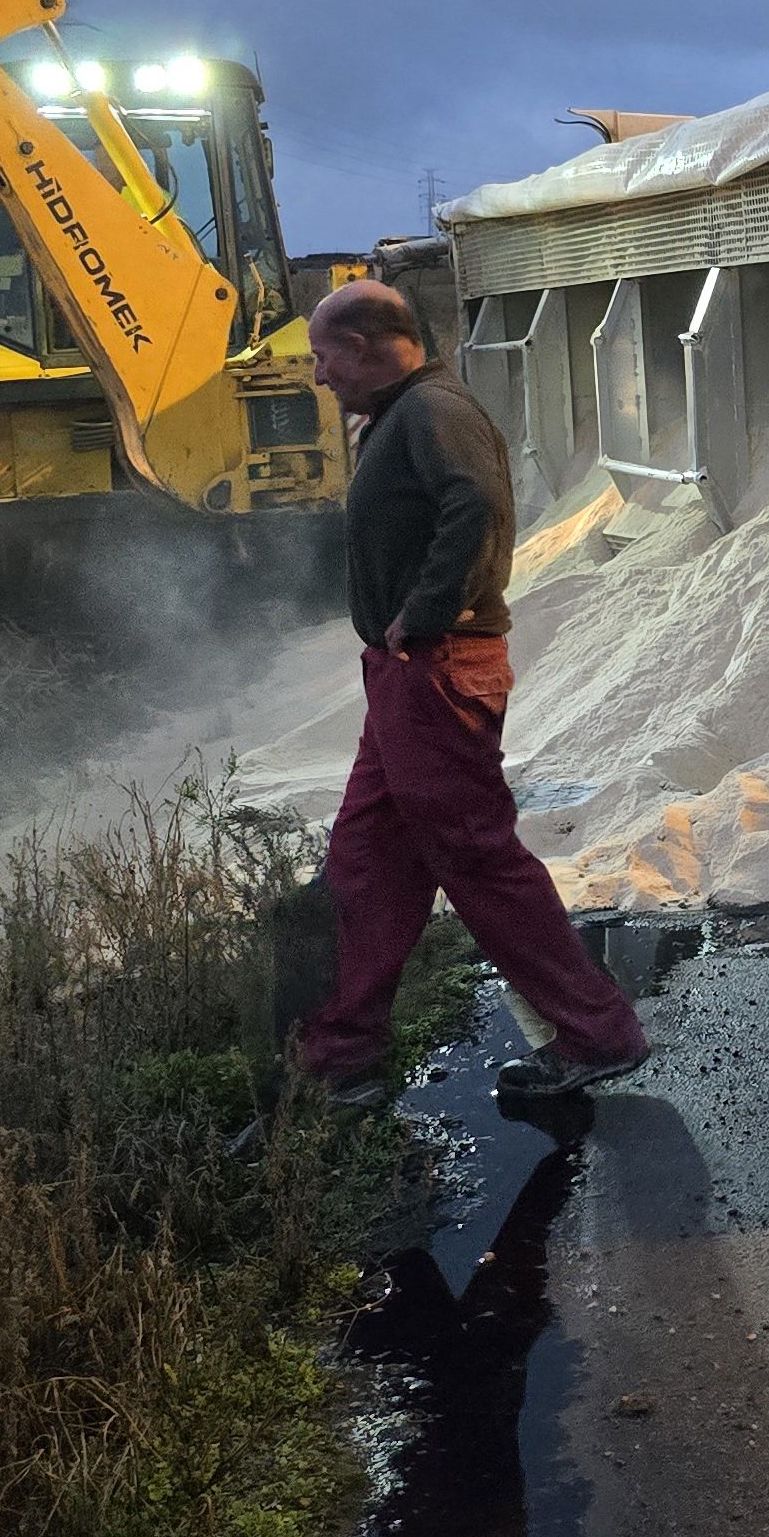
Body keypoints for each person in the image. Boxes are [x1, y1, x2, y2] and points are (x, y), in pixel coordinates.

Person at [292, 279, 645, 1106]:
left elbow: (475, 503)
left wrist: (425, 610)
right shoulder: (403, 412)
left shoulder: (431, 412)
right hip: (407, 675)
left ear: (372, 345)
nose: (317, 377)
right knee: (369, 855)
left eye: (322, 357)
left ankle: (599, 1034)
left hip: (435, 668)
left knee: (476, 857)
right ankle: (341, 1054)